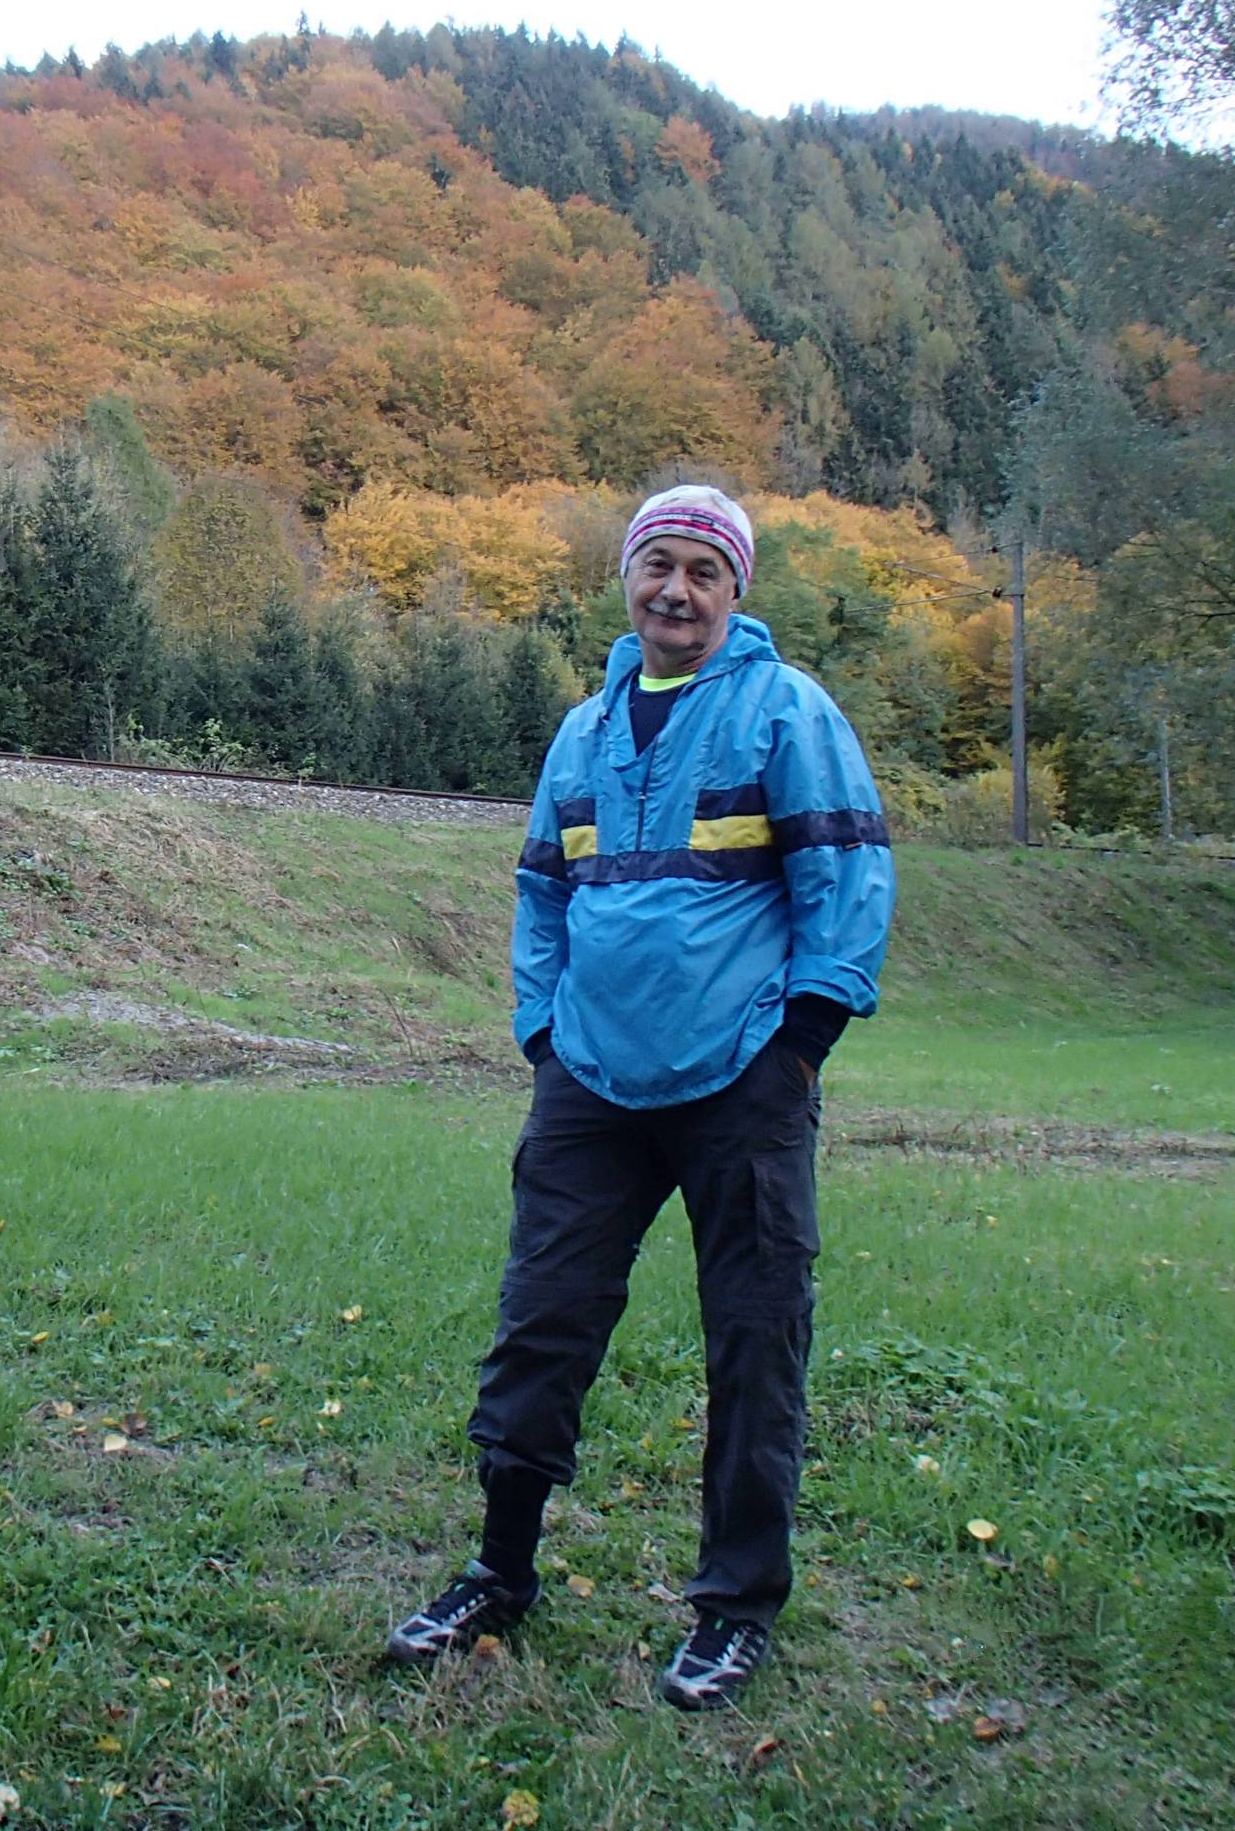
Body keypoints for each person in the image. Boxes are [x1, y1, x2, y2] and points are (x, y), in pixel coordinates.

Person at [384, 484, 895, 1710]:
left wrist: (800, 1044)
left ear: (735, 591)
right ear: (628, 579)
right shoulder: (582, 730)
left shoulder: (787, 710)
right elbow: (540, 890)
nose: (675, 590)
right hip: (592, 1085)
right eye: (655, 565)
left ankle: (733, 1609)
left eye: (701, 573)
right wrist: (543, 1031)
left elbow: (849, 873)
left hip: (743, 1086)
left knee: (755, 1342)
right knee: (540, 1322)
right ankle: (498, 1572)